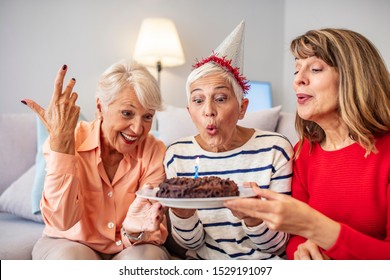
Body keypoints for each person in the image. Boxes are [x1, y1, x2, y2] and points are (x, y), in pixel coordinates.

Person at [224, 28, 390, 260]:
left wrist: (315, 227)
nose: (297, 80)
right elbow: (294, 239)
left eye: (315, 69)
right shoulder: (303, 152)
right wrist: (301, 251)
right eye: (296, 69)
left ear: (354, 77)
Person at [164, 21, 294, 260]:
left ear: (243, 108)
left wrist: (254, 219)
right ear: (189, 109)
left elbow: (277, 246)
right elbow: (191, 243)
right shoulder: (177, 155)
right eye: (198, 100)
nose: (208, 111)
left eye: (221, 98)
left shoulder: (276, 150)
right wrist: (183, 215)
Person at [22, 59, 170, 260]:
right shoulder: (67, 138)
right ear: (100, 107)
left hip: (132, 244)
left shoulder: (154, 150)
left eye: (147, 117)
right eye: (127, 113)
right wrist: (62, 148)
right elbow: (61, 221)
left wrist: (132, 232)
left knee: (147, 261)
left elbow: (149, 225)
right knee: (70, 260)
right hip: (68, 241)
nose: (137, 129)